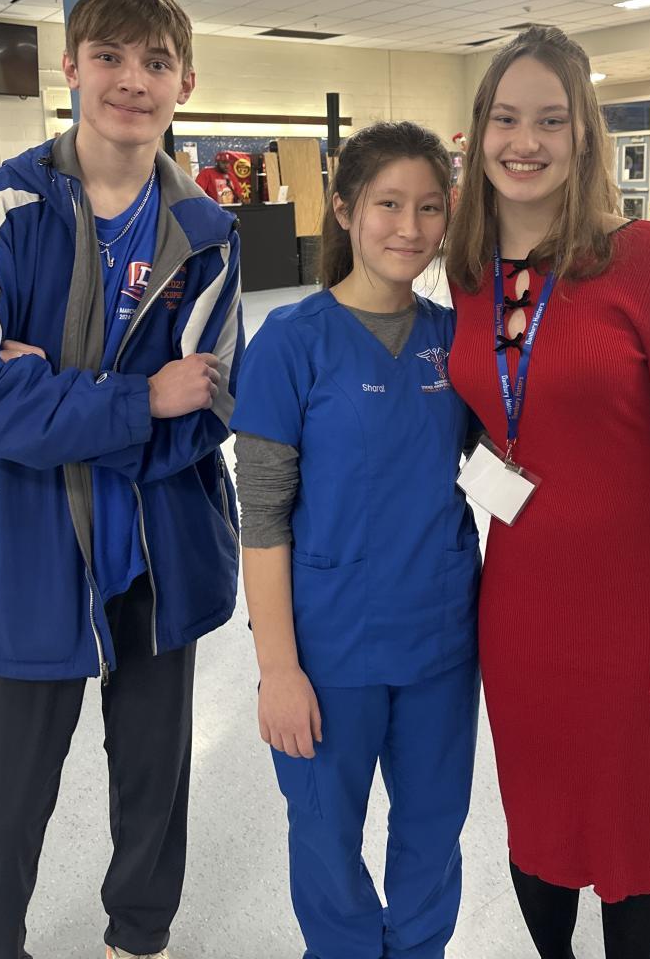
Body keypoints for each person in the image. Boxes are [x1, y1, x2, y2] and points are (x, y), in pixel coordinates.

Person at [0, 0, 244, 959]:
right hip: (22, 557)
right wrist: (137, 398)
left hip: (158, 557)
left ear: (185, 83)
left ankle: (138, 937)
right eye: (110, 56)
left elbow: (208, 413)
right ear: (70, 66)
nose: (131, 80)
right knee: (3, 805)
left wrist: (43, 391)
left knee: (153, 785)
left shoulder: (207, 235)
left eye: (156, 62)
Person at [445, 26, 650, 959]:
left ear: (584, 135)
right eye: (505, 119)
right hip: (522, 606)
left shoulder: (645, 259)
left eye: (551, 119)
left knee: (636, 838)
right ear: (480, 132)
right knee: (539, 829)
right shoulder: (467, 275)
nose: (524, 141)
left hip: (640, 615)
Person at [231, 121, 480, 959]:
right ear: (344, 209)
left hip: (441, 638)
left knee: (434, 829)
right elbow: (262, 518)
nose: (409, 227)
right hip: (329, 649)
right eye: (388, 204)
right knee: (326, 837)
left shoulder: (454, 341)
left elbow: (502, 468)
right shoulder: (291, 343)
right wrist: (278, 671)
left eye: (430, 208)